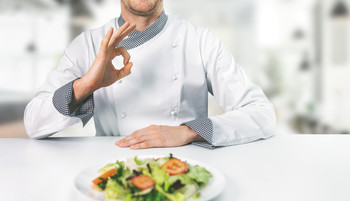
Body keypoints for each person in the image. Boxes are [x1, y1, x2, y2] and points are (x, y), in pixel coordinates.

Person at [24, 0, 276, 149]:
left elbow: (261, 114)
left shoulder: (200, 41)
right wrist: (86, 85)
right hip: (114, 169)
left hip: (185, 168)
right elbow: (34, 124)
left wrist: (188, 132)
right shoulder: (87, 45)